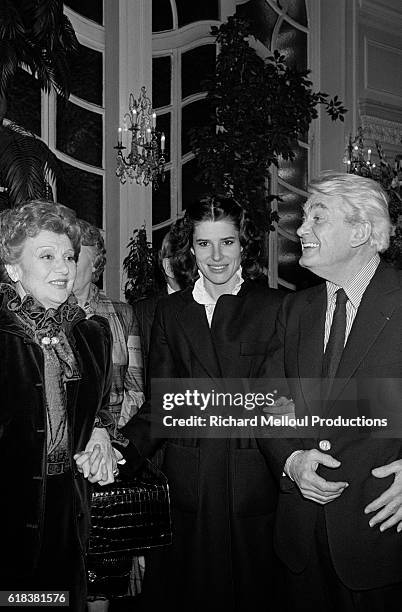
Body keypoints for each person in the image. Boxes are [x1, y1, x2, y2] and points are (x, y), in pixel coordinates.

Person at [119, 195, 285, 611]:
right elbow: (161, 405)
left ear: (242, 245)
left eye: (226, 243)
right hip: (191, 479)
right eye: (204, 244)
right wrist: (119, 453)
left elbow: (286, 400)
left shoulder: (275, 307)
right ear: (190, 248)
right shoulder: (171, 313)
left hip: (251, 478)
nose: (216, 256)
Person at [257, 173, 402, 611]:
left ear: (360, 232)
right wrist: (291, 459)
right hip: (302, 544)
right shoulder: (295, 309)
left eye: (317, 218)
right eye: (304, 218)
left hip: (384, 543)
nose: (300, 229)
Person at [0, 200, 116, 611]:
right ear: (13, 268)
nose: (64, 268)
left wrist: (101, 431)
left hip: (70, 516)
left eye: (68, 256)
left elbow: (99, 407)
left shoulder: (92, 336)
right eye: (46, 256)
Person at [74, 219, 144, 432]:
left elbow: (136, 390)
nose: (64, 265)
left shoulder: (122, 313)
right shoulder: (45, 314)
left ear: (95, 263)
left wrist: (110, 438)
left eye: (74, 257)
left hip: (113, 439)